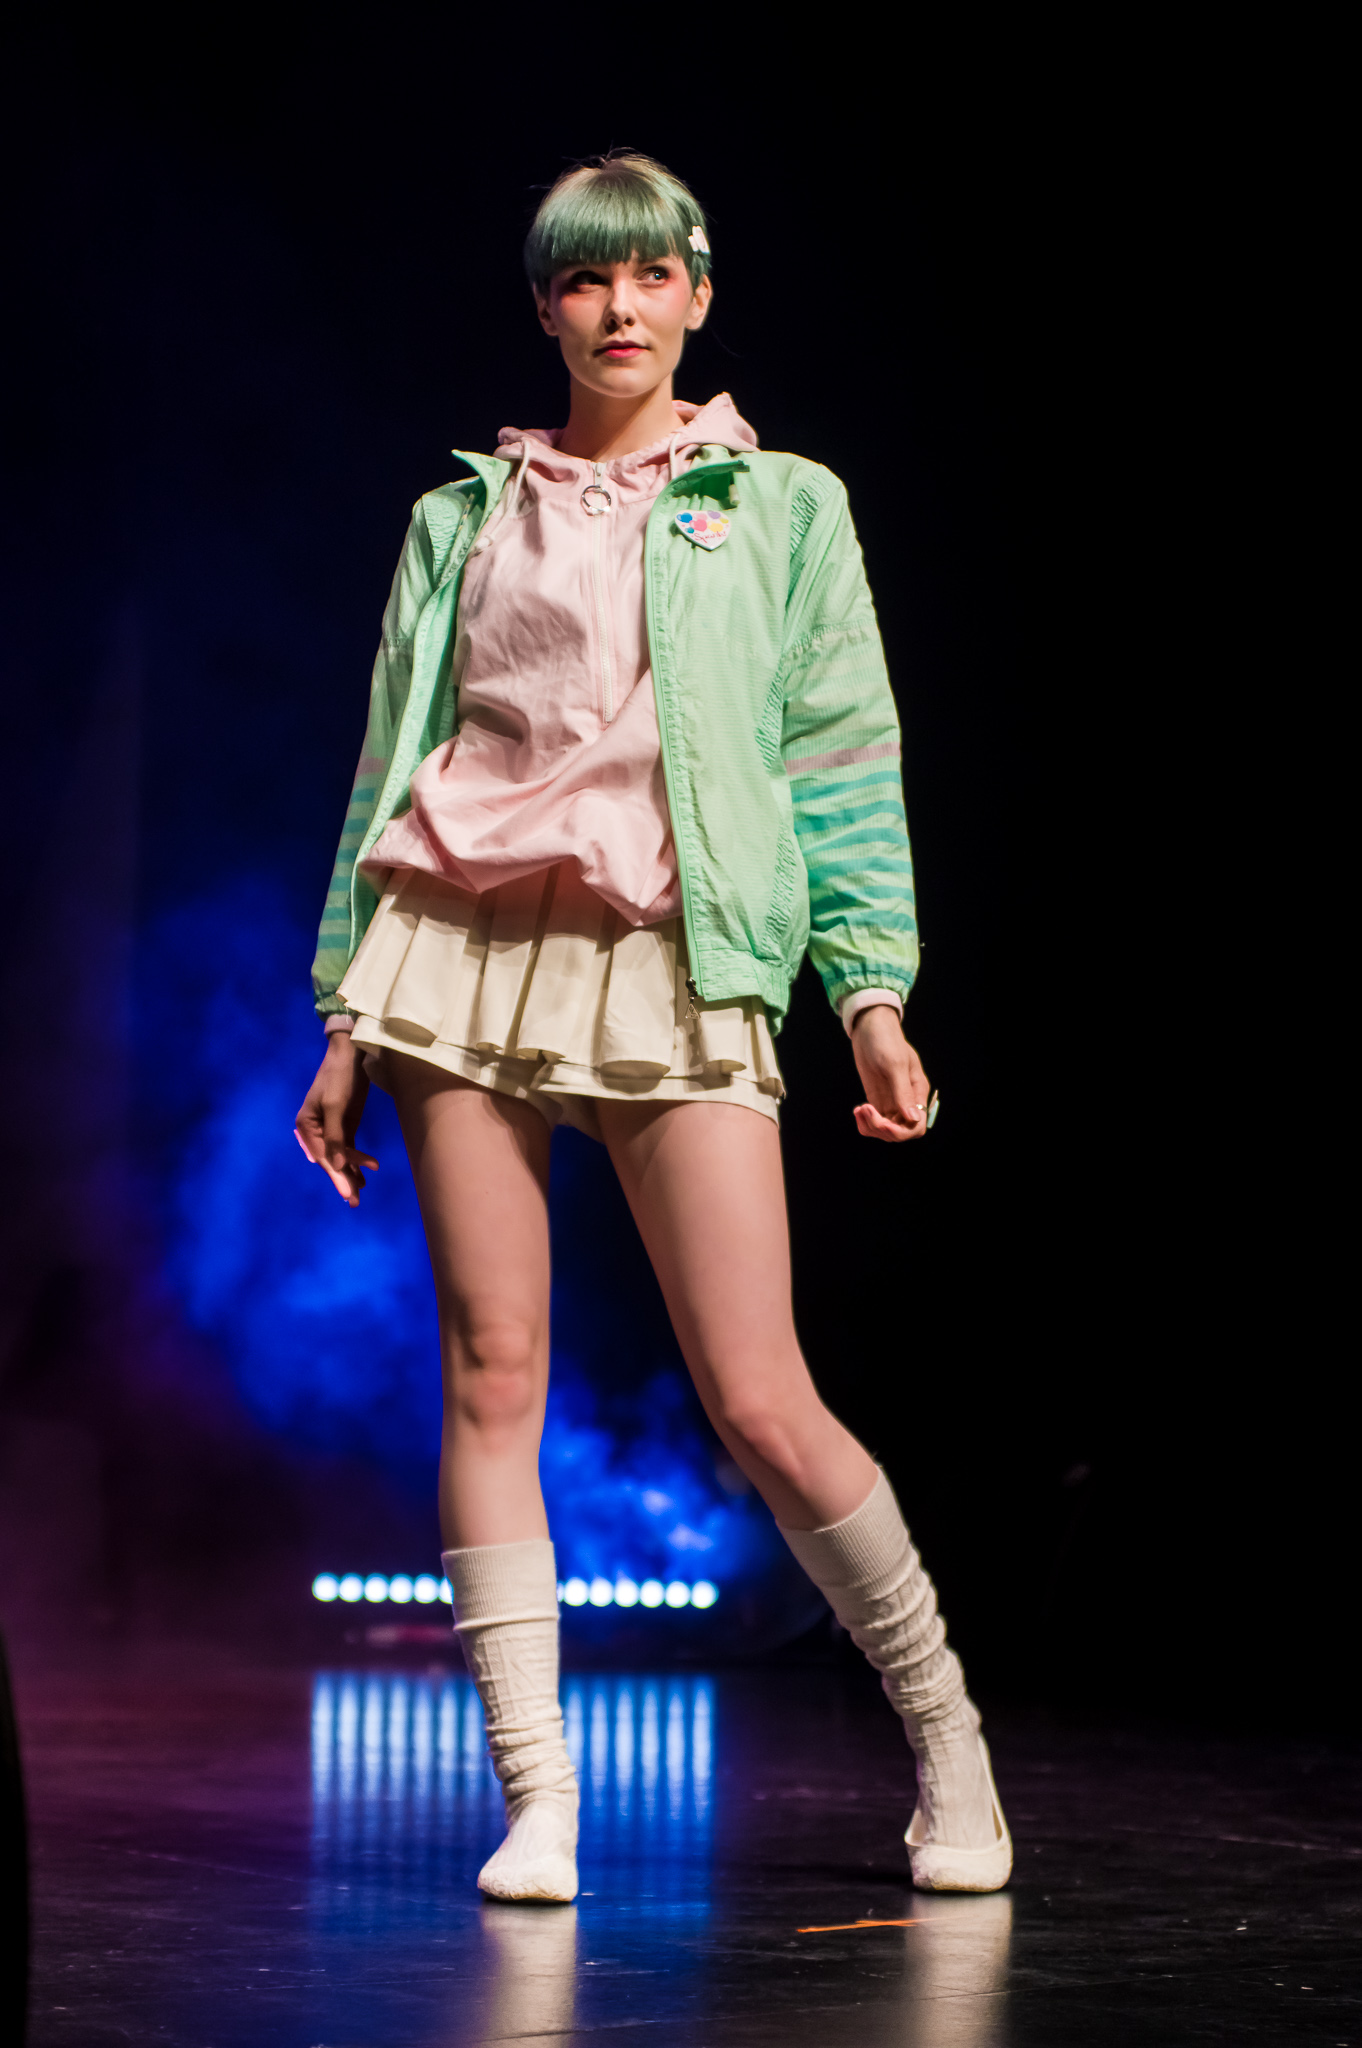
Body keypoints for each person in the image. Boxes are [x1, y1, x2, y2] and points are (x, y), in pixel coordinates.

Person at [296, 152, 1011, 1905]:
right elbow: (394, 760)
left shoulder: (782, 504)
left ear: (696, 291)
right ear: (544, 308)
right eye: (581, 279)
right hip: (457, 946)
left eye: (647, 275)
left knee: (758, 1393)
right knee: (491, 1369)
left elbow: (839, 758)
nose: (617, 308)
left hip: (679, 951)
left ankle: (948, 1739)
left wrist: (869, 993)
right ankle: (537, 1799)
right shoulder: (463, 516)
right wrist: (342, 1010)